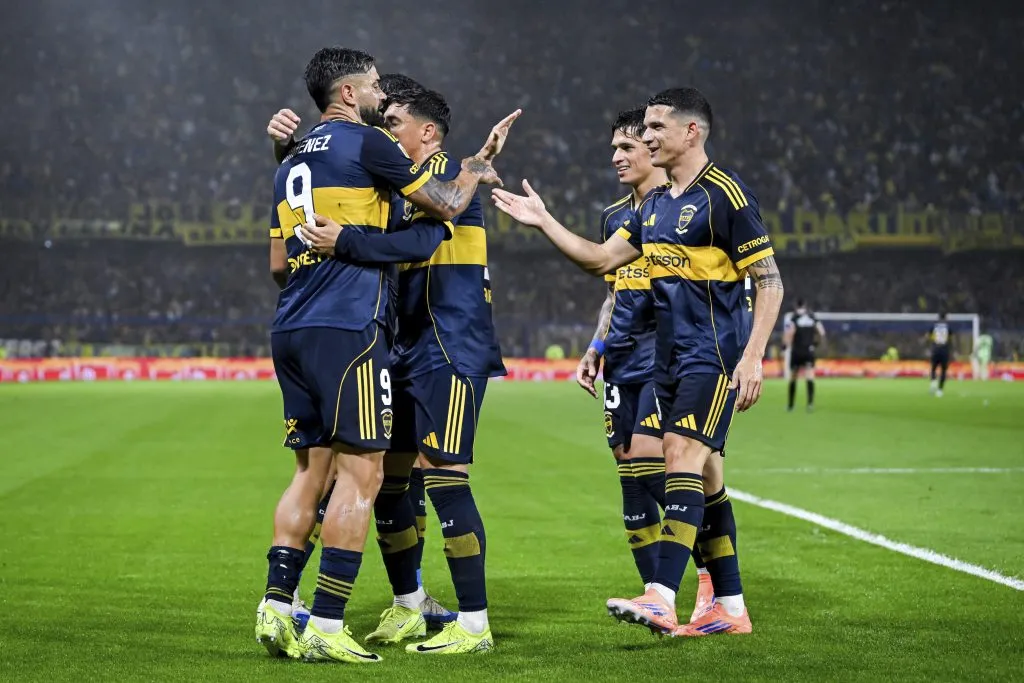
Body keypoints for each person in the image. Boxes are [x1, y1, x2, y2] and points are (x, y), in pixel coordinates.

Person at [255, 46, 516, 664]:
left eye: (394, 120)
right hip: (374, 336)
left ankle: (472, 622)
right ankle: (405, 604)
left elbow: (435, 221)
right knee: (381, 481)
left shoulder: (449, 175)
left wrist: (346, 237)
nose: (384, 124)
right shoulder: (381, 168)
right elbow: (394, 221)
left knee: (433, 476)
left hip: (445, 343)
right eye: (378, 104)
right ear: (350, 93)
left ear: (426, 132)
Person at [492, 87, 784, 637]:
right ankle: (731, 606)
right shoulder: (654, 205)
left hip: (713, 353)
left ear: (690, 132)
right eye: (642, 130)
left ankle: (660, 596)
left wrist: (752, 358)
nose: (646, 138)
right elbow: (602, 260)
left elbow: (769, 280)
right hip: (669, 359)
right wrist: (545, 221)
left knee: (678, 457)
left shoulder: (725, 195)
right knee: (709, 480)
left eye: (654, 129)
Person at [575, 107, 713, 621]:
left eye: (628, 147)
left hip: (666, 356)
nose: (617, 157)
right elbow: (612, 294)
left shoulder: (679, 210)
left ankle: (697, 577)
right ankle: (654, 596)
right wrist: (597, 346)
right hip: (622, 361)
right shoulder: (616, 218)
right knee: (630, 478)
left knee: (660, 467)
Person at [783, 299, 826, 412]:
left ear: (796, 306)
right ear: (805, 306)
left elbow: (790, 332)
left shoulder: (794, 317)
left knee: (793, 377)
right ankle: (810, 404)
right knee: (810, 375)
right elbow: (821, 332)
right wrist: (816, 343)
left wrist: (785, 345)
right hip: (809, 350)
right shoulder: (812, 317)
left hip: (797, 351)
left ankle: (791, 405)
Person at [929, 312, 951, 397]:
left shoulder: (934, 326)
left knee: (933, 368)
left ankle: (933, 382)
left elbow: (930, 337)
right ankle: (940, 390)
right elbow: (950, 339)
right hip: (944, 350)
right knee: (943, 370)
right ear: (945, 318)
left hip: (935, 350)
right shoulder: (948, 327)